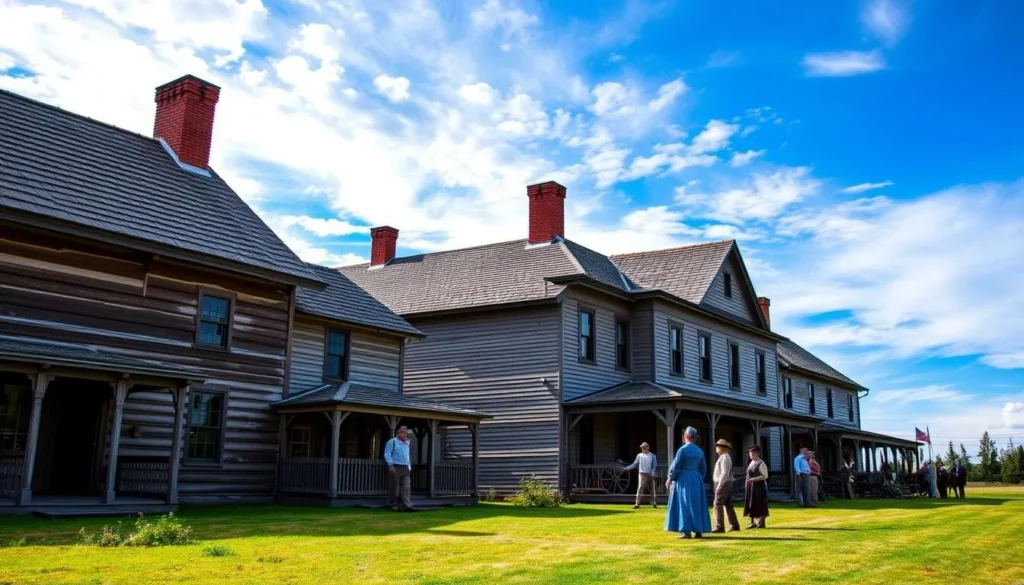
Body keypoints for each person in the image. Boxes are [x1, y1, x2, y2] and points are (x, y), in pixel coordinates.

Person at [664, 427, 712, 539]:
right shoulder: (699, 451)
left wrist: (670, 478)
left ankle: (686, 531)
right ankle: (698, 531)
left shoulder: (683, 450)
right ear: (694, 438)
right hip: (696, 478)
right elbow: (703, 469)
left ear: (686, 436)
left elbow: (676, 466)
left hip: (683, 478)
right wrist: (698, 477)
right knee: (697, 504)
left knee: (684, 503)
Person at [711, 439, 740, 533]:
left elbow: (724, 473)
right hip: (726, 482)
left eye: (717, 446)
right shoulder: (724, 457)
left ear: (722, 447)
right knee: (728, 504)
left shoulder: (725, 457)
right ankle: (734, 525)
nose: (716, 448)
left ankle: (720, 527)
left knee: (717, 503)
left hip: (724, 482)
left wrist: (719, 486)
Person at [384, 425, 416, 512]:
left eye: (406, 433)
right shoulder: (392, 442)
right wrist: (390, 465)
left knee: (406, 487)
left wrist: (409, 467)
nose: (406, 435)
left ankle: (407, 505)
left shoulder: (407, 443)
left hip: (405, 467)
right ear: (399, 433)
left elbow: (408, 455)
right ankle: (393, 504)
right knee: (394, 487)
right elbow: (387, 454)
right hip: (395, 467)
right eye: (405, 433)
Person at [623, 441, 658, 509]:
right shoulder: (639, 455)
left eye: (644, 447)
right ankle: (637, 503)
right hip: (642, 473)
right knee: (640, 488)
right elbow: (635, 464)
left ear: (648, 447)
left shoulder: (652, 456)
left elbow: (654, 465)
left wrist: (653, 473)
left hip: (650, 473)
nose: (643, 449)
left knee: (652, 488)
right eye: (642, 448)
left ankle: (654, 502)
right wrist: (627, 468)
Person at [743, 445, 770, 529]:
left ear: (757, 453)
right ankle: (752, 522)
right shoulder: (751, 463)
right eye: (750, 453)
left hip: (759, 486)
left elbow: (765, 476)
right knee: (751, 503)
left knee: (760, 502)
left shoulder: (761, 463)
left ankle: (762, 522)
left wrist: (753, 479)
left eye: (752, 453)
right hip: (750, 487)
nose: (750, 455)